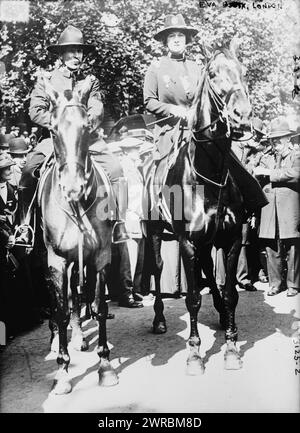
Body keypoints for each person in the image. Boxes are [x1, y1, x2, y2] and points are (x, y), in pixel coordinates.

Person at [17, 25, 129, 244]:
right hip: (55, 139)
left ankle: (118, 223)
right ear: (61, 54)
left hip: (87, 139)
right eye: (71, 51)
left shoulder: (90, 81)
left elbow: (96, 108)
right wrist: (61, 125)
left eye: (79, 51)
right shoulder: (46, 80)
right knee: (29, 171)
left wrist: (84, 125)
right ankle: (24, 225)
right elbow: (35, 111)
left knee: (116, 169)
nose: (76, 56)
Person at [253, 116, 300, 297]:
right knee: (271, 247)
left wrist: (269, 173)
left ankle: (293, 285)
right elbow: (253, 173)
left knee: (292, 247)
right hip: (269, 208)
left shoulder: (296, 154)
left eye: (278, 138)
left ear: (287, 138)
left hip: (289, 209)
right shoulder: (266, 157)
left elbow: (296, 174)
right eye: (272, 139)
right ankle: (275, 283)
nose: (274, 142)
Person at [144, 14, 200, 160]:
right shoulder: (156, 67)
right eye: (171, 36)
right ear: (165, 40)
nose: (176, 39)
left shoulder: (196, 68)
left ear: (186, 39)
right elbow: (149, 101)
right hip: (168, 133)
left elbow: (203, 98)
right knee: (167, 177)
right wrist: (172, 109)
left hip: (196, 132)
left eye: (180, 35)